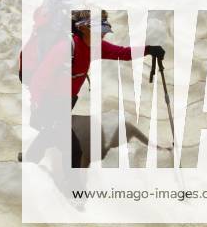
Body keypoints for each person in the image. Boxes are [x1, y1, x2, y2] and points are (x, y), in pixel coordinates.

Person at [21, 9, 165, 167]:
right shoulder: (65, 47)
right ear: (83, 28)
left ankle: (28, 159)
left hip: (67, 100)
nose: (103, 35)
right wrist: (37, 106)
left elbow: (122, 53)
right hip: (50, 102)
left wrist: (149, 49)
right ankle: (72, 188)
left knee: (49, 132)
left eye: (104, 31)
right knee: (74, 150)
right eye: (99, 31)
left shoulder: (96, 46)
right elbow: (39, 79)